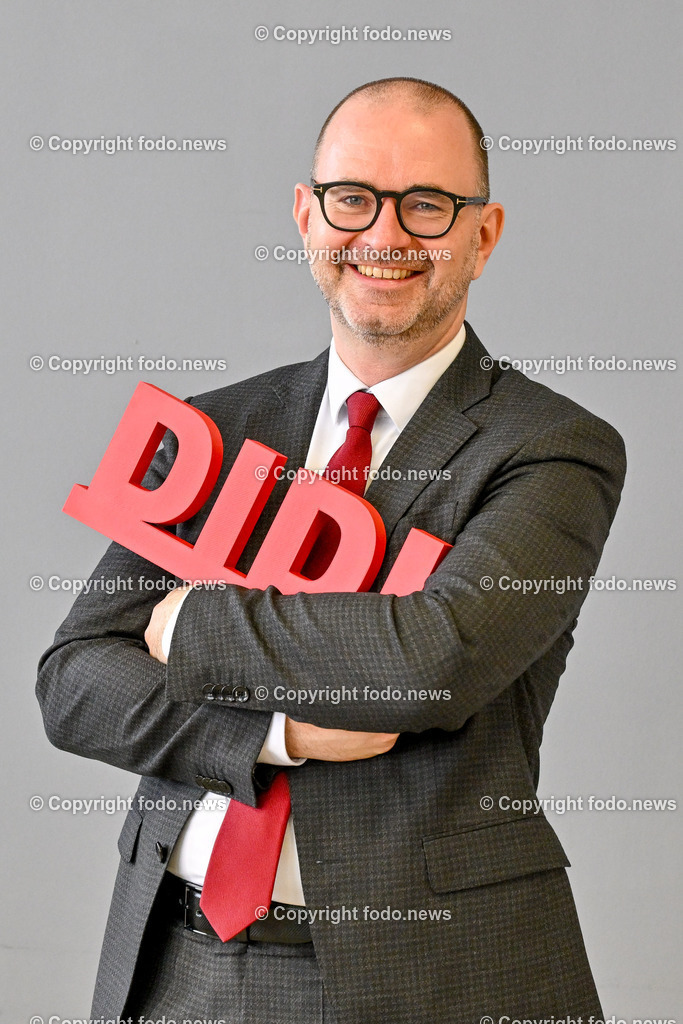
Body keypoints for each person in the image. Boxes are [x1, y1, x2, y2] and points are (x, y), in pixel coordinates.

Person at [37, 76, 626, 1023]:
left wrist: (190, 621)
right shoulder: (212, 432)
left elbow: (434, 660)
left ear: (484, 232)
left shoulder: (550, 445)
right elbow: (74, 680)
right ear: (307, 216)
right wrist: (277, 733)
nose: (383, 235)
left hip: (428, 974)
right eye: (352, 199)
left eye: (426, 204)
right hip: (175, 961)